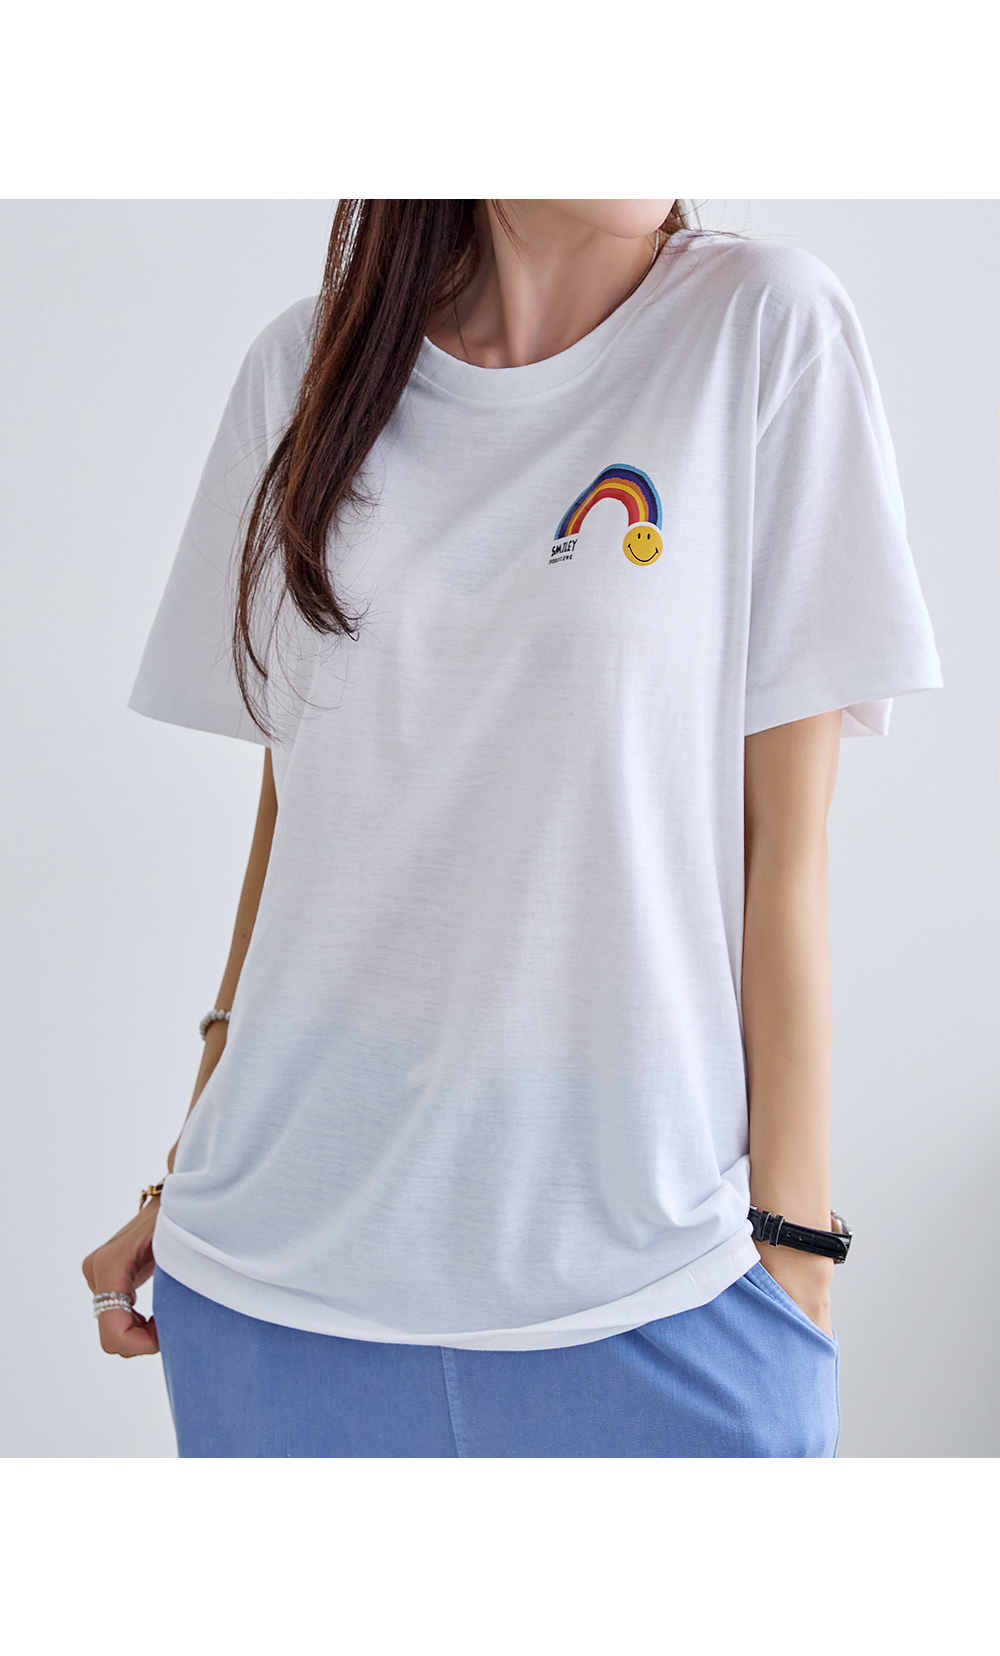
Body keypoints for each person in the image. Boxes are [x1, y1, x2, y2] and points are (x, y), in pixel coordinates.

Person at [82, 199, 941, 1457]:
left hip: (660, 1295)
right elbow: (304, 806)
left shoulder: (761, 326)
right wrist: (185, 1157)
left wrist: (793, 1251)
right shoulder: (308, 368)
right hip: (271, 1293)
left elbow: (784, 849)